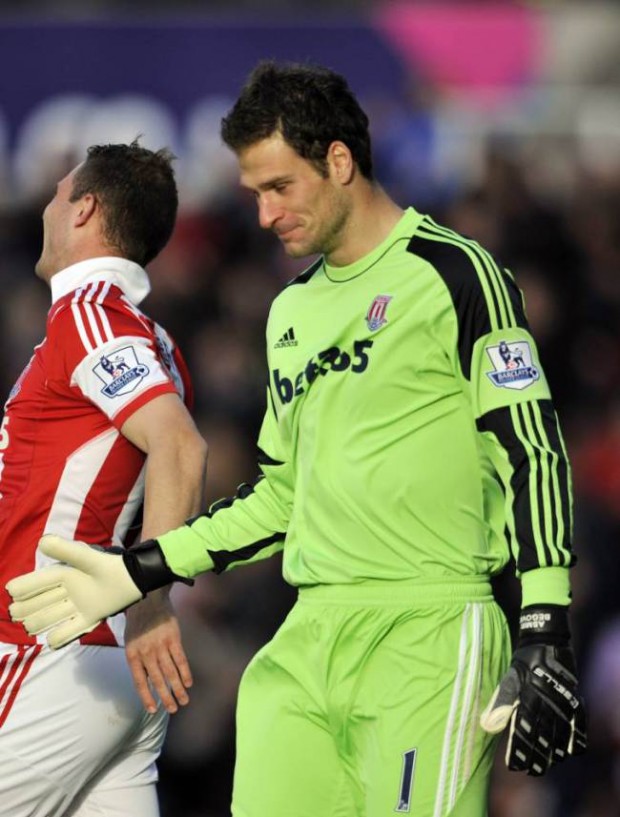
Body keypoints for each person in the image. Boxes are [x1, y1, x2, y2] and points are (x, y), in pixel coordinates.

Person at [7, 63, 586, 817]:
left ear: (339, 161)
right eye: (253, 193)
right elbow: (281, 495)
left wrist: (544, 624)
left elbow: (531, 450)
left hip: (428, 636)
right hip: (304, 643)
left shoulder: (456, 274)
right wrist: (141, 570)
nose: (264, 214)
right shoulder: (290, 314)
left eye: (278, 187)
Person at [0, 141, 208, 816]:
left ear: (84, 208)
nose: (47, 207)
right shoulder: (155, 342)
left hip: (49, 647)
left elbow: (179, 448)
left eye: (59, 194)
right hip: (111, 665)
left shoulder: (90, 313)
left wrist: (150, 602)